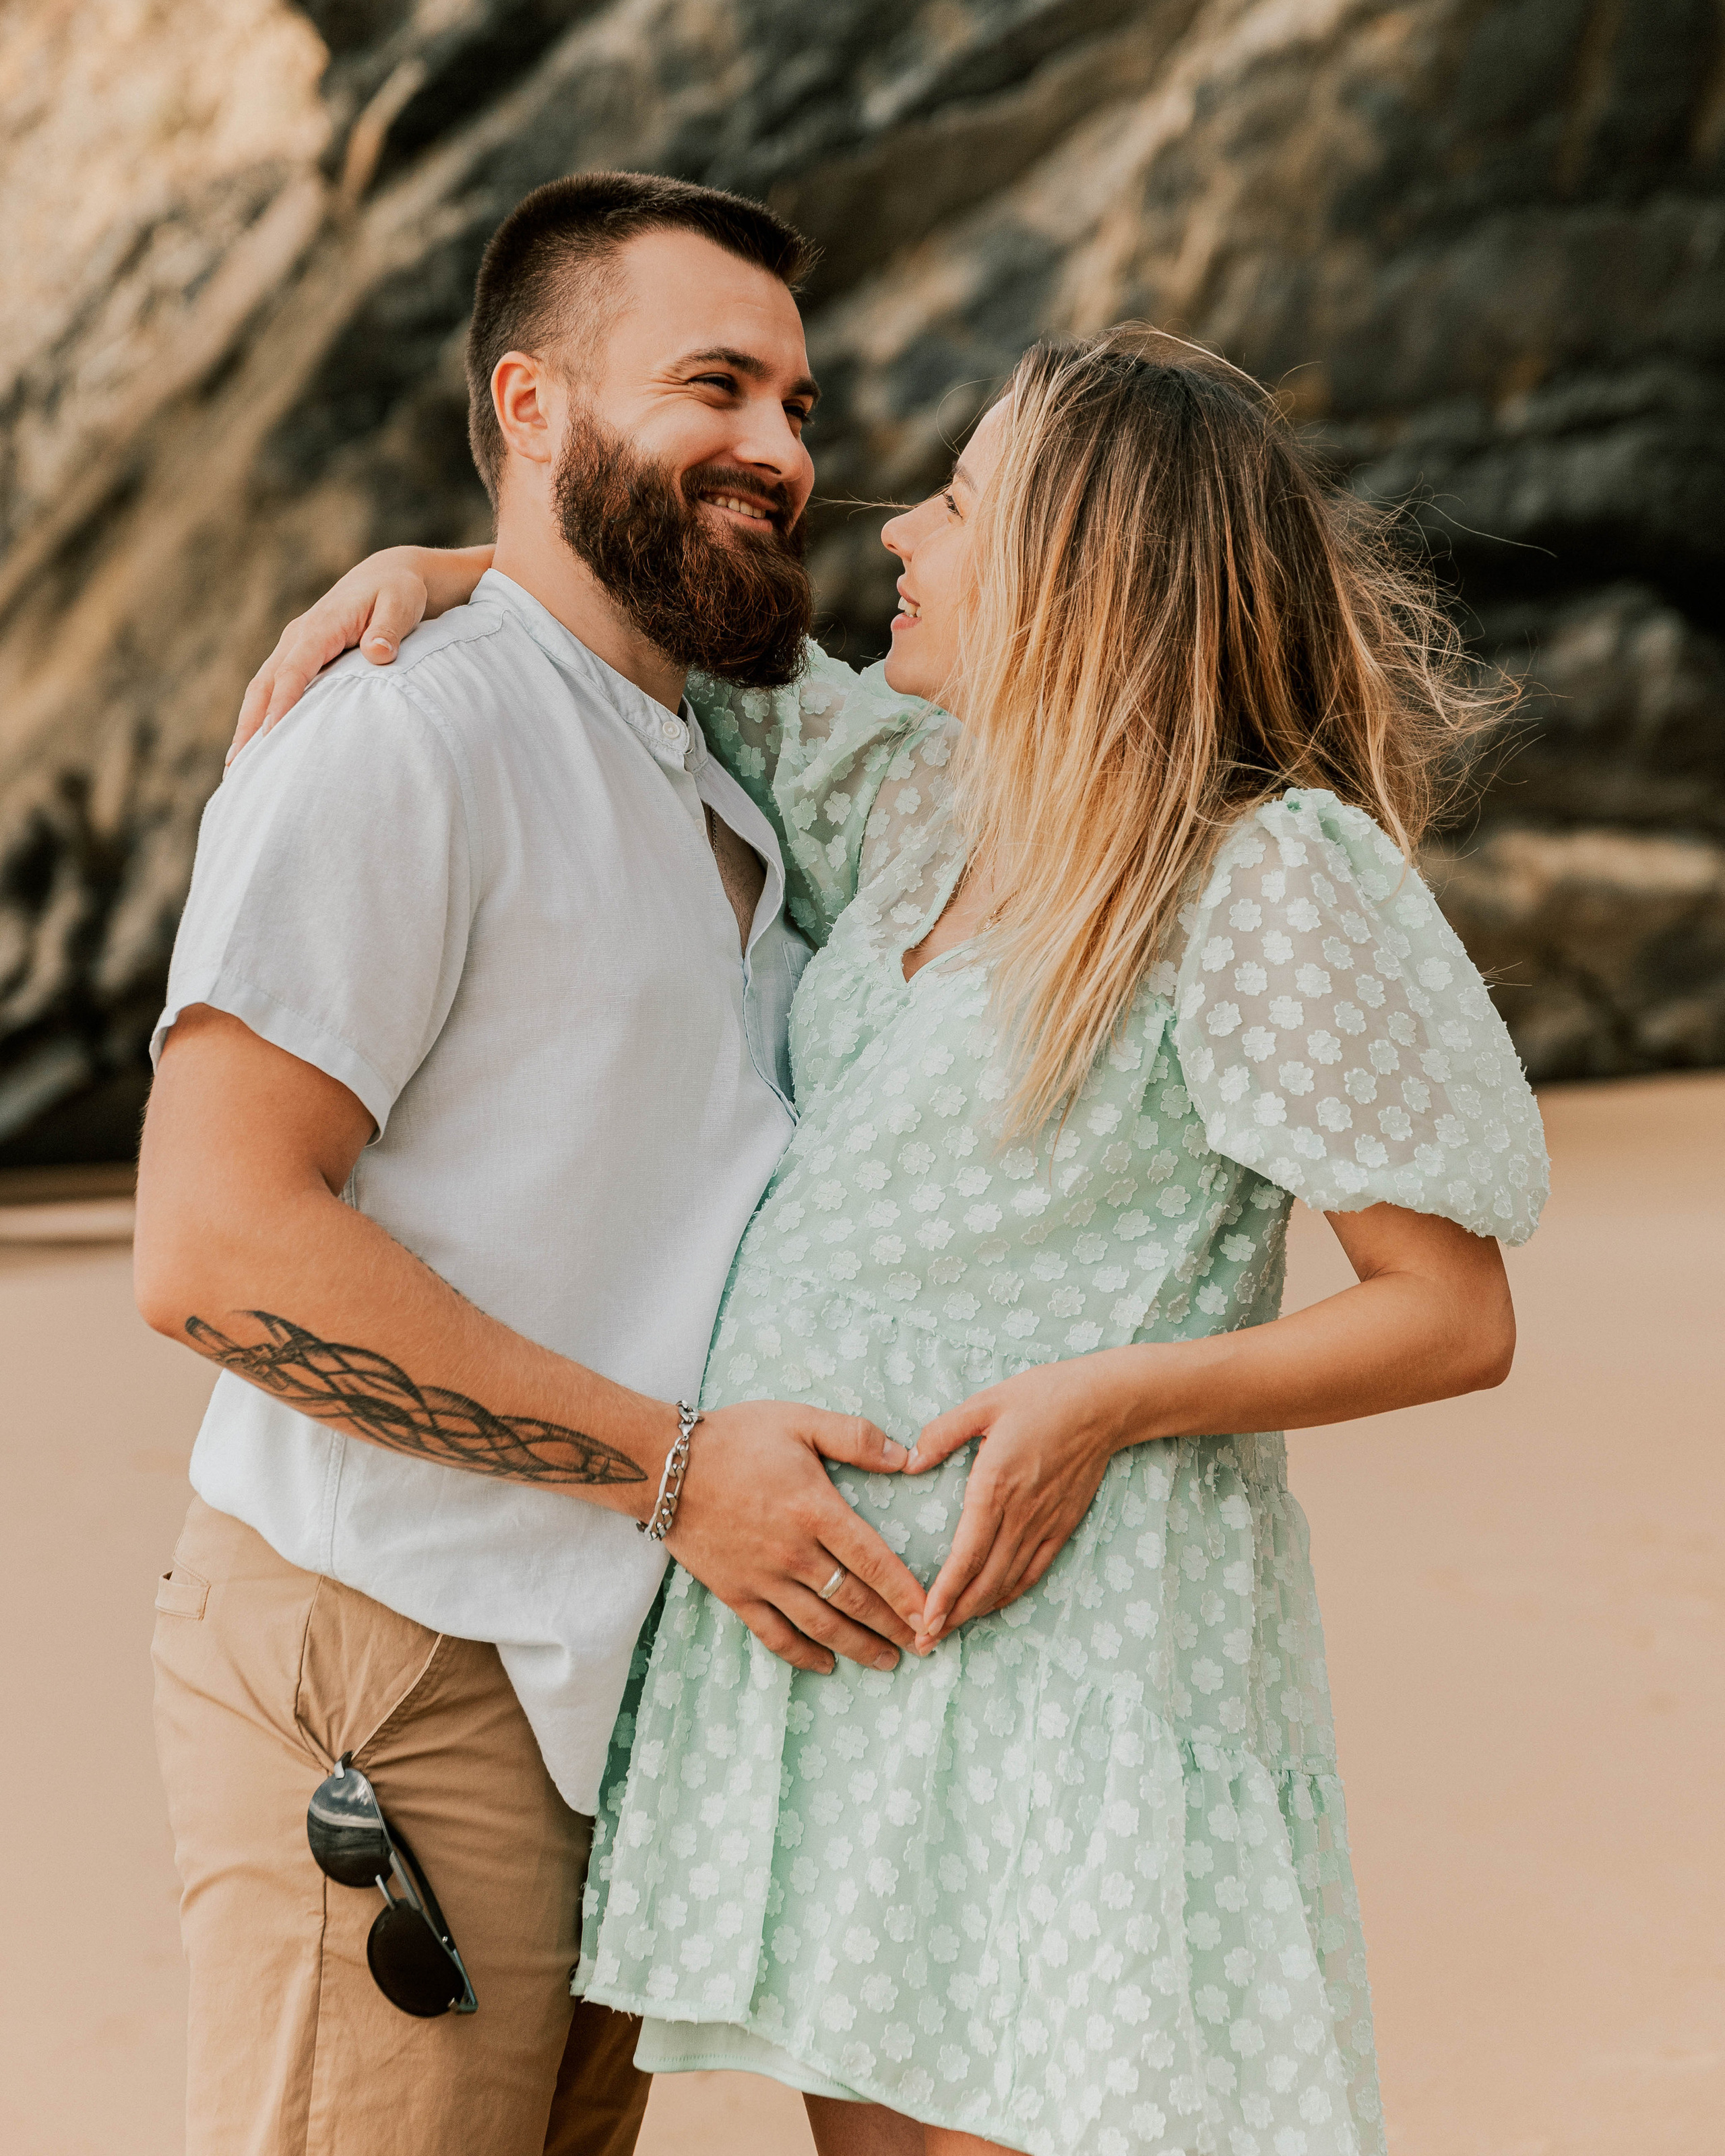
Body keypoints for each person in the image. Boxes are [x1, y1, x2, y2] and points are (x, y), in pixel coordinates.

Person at [251, 329, 1547, 2156]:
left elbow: (1450, 1312)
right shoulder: (927, 803)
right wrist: (461, 571)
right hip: (860, 1658)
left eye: (957, 500)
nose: (895, 536)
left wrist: (1107, 1399)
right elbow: (662, 618)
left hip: (1075, 1663)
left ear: (1077, 564)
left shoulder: (1256, 872)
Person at [135, 171, 937, 2156]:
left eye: (802, 407)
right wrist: (673, 1473)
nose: (779, 447)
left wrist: (463, 560)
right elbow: (213, 1247)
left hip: (607, 1686)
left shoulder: (710, 754)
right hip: (391, 1658)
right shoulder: (405, 740)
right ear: (535, 405)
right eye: (716, 384)